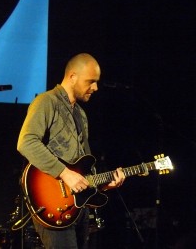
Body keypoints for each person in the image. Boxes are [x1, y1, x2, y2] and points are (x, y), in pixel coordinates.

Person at [17, 53, 126, 248]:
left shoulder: (80, 114)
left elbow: (84, 171)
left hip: (78, 206)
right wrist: (65, 173)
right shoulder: (46, 102)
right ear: (72, 76)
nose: (95, 87)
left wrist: (104, 185)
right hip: (52, 202)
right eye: (91, 81)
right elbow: (25, 142)